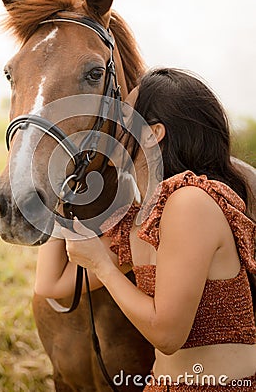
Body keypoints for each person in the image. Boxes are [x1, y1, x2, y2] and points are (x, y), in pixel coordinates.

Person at [35, 68, 256, 390]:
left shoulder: (190, 203)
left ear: (153, 133)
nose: (108, 122)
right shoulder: (146, 219)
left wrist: (102, 265)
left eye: (123, 112)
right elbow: (51, 284)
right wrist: (59, 185)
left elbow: (167, 335)